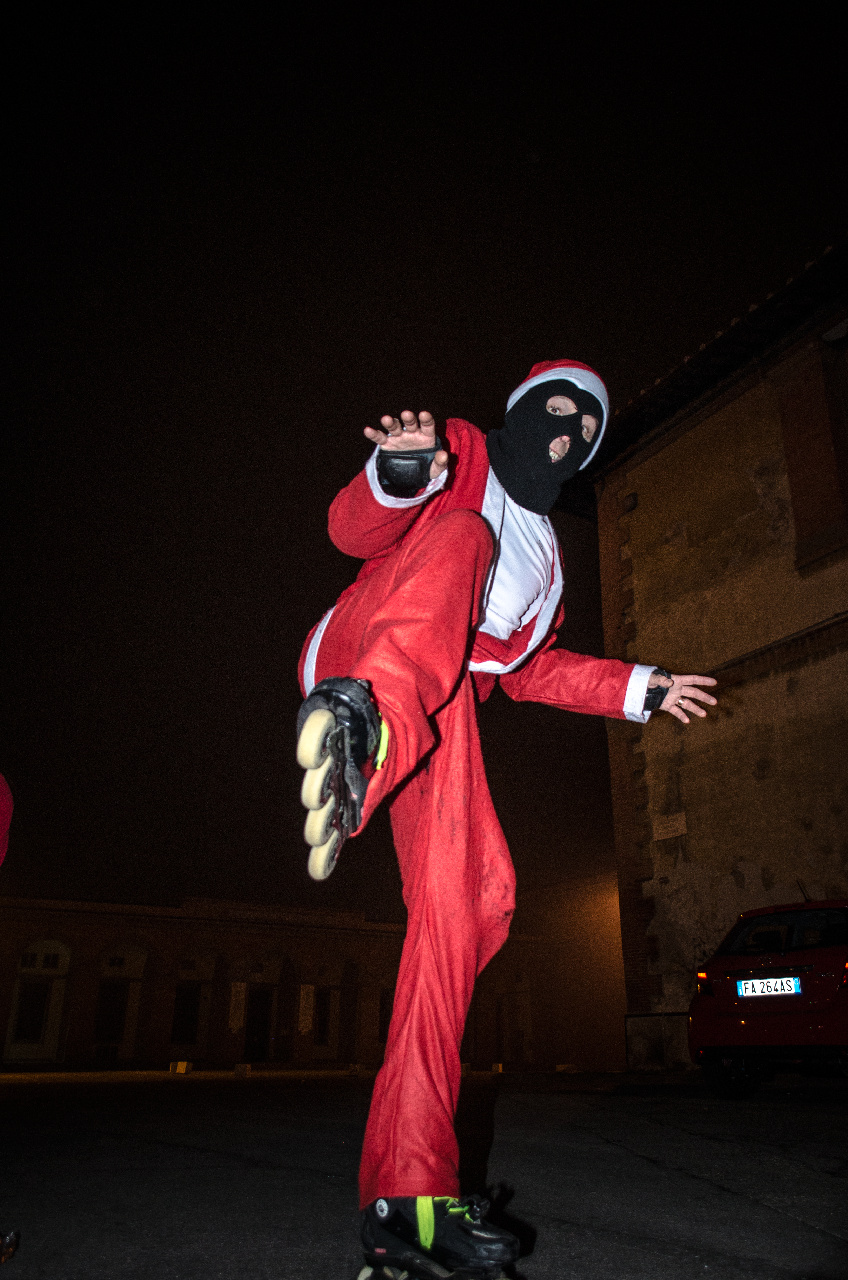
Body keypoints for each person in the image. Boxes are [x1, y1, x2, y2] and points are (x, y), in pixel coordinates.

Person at [295, 360, 716, 1278]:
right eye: (555, 412)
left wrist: (641, 686)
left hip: (440, 709)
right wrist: (401, 469)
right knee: (462, 537)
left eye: (585, 432)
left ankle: (407, 1198)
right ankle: (361, 735)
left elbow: (527, 672)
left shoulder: (551, 566)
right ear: (522, 412)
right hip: (370, 654)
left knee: (471, 906)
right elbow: (352, 530)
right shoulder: (463, 452)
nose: (567, 434)